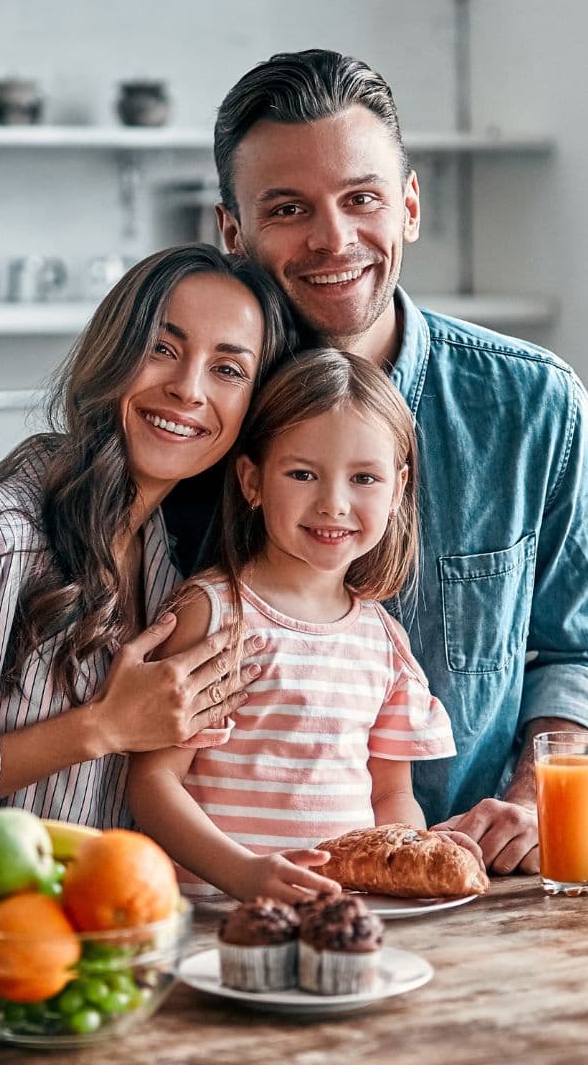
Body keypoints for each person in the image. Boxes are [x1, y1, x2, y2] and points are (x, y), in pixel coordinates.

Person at [204, 49, 588, 875]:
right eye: (289, 208)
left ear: (408, 205)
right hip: (232, 909)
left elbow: (587, 650)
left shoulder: (533, 404)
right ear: (233, 233)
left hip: (475, 890)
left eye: (361, 198)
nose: (334, 239)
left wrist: (540, 790)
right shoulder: (199, 420)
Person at [0, 243, 297, 914]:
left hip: (100, 954)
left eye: (228, 369)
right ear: (113, 352)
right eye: (163, 348)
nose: (189, 388)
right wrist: (102, 727)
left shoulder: (170, 552)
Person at [129, 349, 475, 903]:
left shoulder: (384, 643)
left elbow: (391, 796)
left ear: (397, 487)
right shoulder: (215, 614)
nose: (333, 504)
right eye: (302, 473)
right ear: (252, 481)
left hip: (343, 915)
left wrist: (417, 847)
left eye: (364, 477)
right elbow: (152, 784)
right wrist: (244, 874)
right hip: (220, 917)